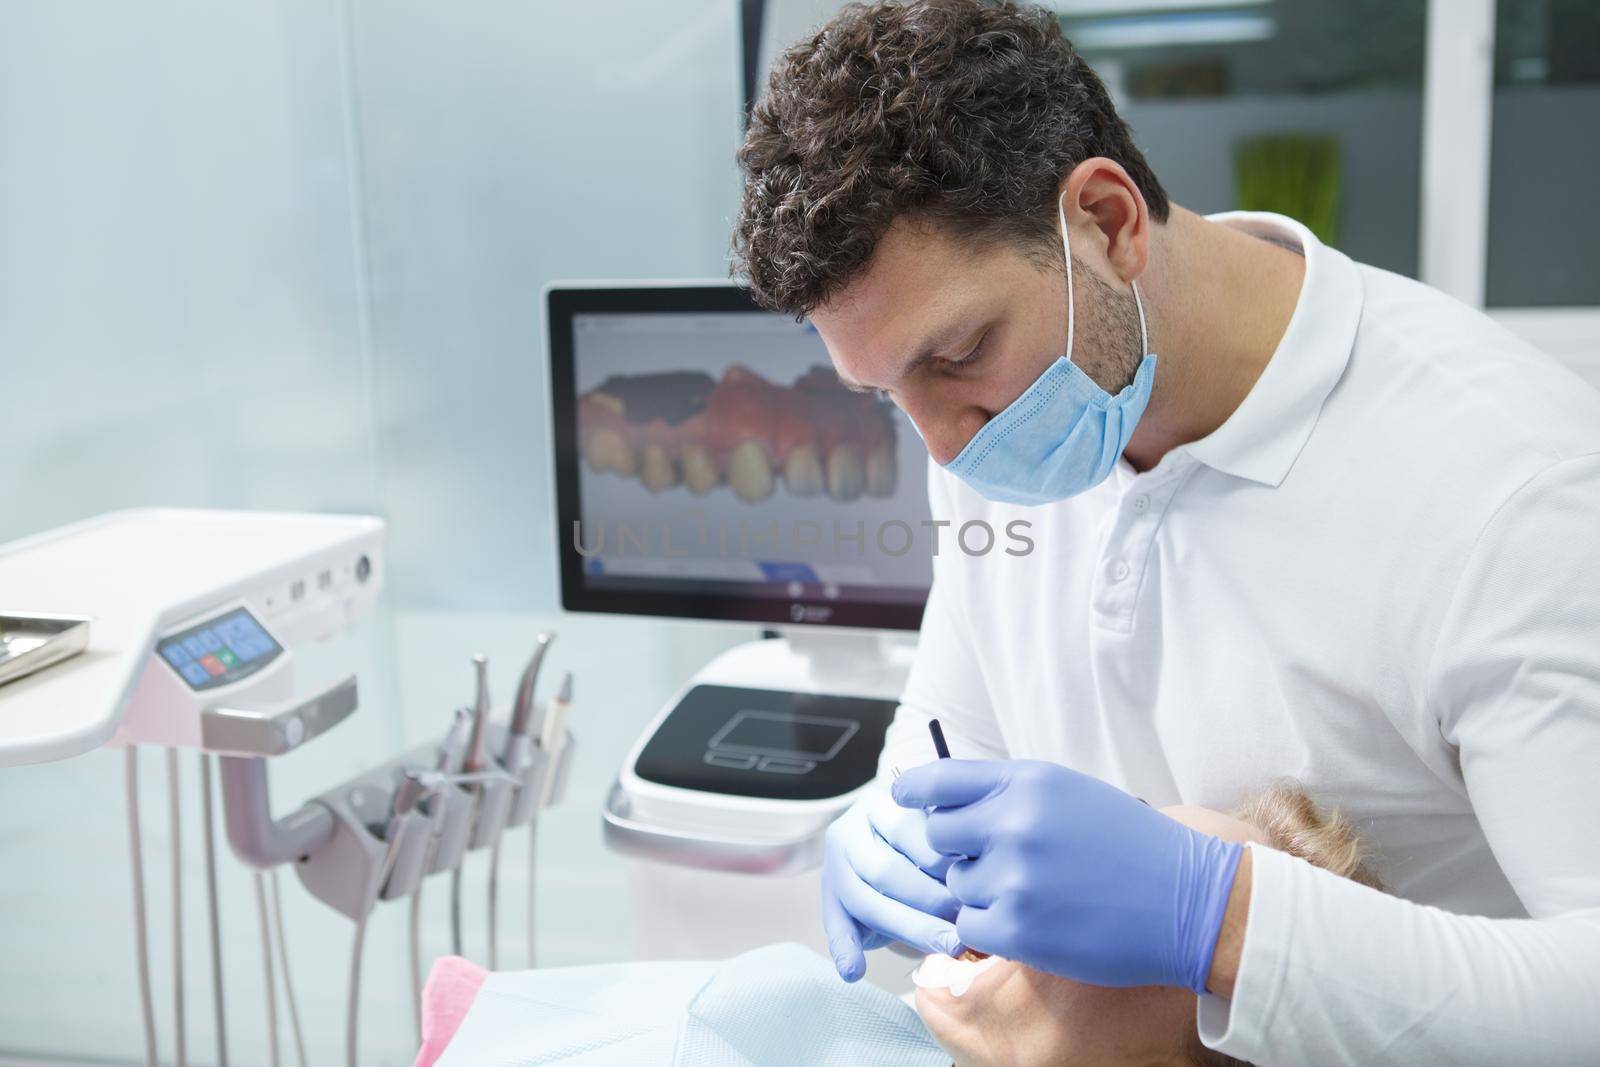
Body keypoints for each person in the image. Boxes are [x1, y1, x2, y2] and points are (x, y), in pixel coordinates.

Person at [730, 1, 1600, 1063]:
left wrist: (1222, 917)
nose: (943, 448)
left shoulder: (1516, 493)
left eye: (956, 351)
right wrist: (890, 817)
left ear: (1106, 221)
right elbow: (958, 725)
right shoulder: (997, 419)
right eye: (883, 392)